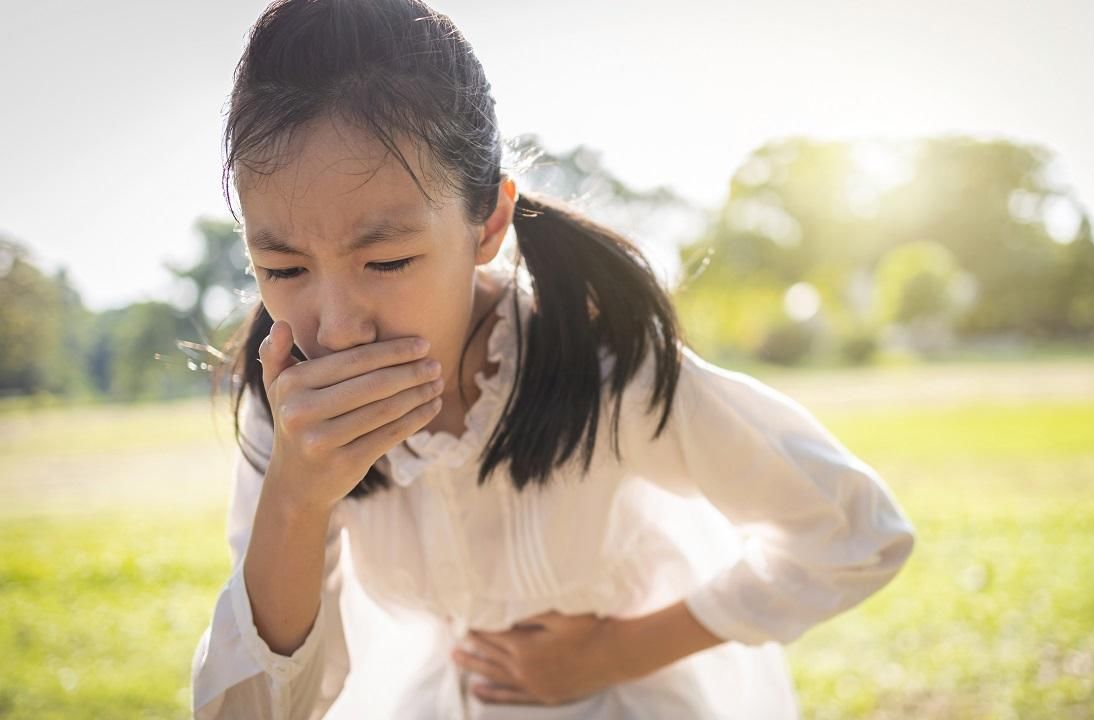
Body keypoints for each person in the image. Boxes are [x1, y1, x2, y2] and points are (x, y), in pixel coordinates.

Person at [189, 0, 917, 718]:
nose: (339, 329)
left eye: (386, 260)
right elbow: (256, 712)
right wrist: (297, 497)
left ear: (489, 224)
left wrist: (612, 653)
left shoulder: (603, 370)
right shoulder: (284, 406)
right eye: (283, 270)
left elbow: (856, 533)